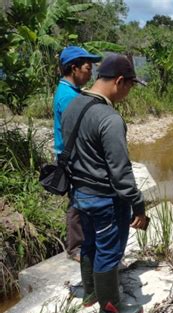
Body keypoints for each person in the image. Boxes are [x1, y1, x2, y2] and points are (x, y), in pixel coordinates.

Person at [62, 54, 147, 313]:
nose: (129, 92)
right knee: (109, 251)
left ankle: (90, 295)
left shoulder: (73, 105)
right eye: (130, 85)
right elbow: (121, 172)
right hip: (105, 200)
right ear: (120, 81)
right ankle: (110, 308)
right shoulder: (109, 118)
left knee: (89, 244)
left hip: (80, 195)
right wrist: (138, 204)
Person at [53, 46, 101, 261]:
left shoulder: (71, 92)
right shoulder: (67, 96)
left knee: (79, 198)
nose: (90, 73)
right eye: (87, 68)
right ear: (74, 68)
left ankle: (82, 242)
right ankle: (75, 247)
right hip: (72, 156)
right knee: (77, 201)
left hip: (72, 154)